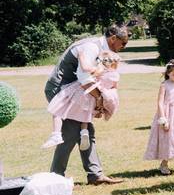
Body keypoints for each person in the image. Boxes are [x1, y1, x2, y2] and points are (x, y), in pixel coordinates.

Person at [44, 25, 128, 185]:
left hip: (76, 92)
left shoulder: (102, 49)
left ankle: (95, 175)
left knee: (86, 131)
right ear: (113, 38)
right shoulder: (91, 47)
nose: (123, 47)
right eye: (123, 43)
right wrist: (99, 99)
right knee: (70, 133)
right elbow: (84, 79)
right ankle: (57, 178)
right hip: (61, 90)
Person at [44, 50, 121, 149]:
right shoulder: (115, 75)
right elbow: (114, 88)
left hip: (83, 93)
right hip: (95, 97)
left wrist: (81, 56)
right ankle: (84, 132)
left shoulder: (98, 70)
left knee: (58, 109)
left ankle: (56, 134)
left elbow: (84, 68)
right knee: (85, 116)